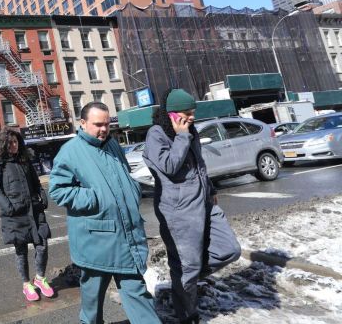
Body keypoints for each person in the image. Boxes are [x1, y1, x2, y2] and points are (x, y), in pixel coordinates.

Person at [49, 102, 161, 324]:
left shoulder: (113, 145)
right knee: (92, 304)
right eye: (98, 124)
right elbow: (58, 191)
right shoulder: (70, 152)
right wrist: (97, 198)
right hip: (96, 242)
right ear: (82, 123)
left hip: (125, 236)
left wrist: (133, 191)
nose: (103, 129)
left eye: (107, 124)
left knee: (137, 292)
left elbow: (125, 177)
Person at [143, 89, 241, 324]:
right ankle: (187, 313)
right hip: (179, 211)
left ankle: (186, 278)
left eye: (193, 113)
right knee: (187, 268)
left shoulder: (190, 130)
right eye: (187, 114)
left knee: (230, 249)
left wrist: (211, 190)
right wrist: (182, 136)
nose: (192, 118)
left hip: (204, 202)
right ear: (172, 115)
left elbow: (199, 166)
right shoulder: (156, 134)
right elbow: (169, 166)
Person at [0, 127, 54, 302]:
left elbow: (36, 181)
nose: (14, 145)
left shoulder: (25, 160)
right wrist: (7, 207)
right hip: (15, 213)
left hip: (34, 209)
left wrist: (42, 195)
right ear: (3, 145)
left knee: (42, 244)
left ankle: (40, 278)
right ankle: (26, 284)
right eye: (10, 143)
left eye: (16, 142)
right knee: (21, 250)